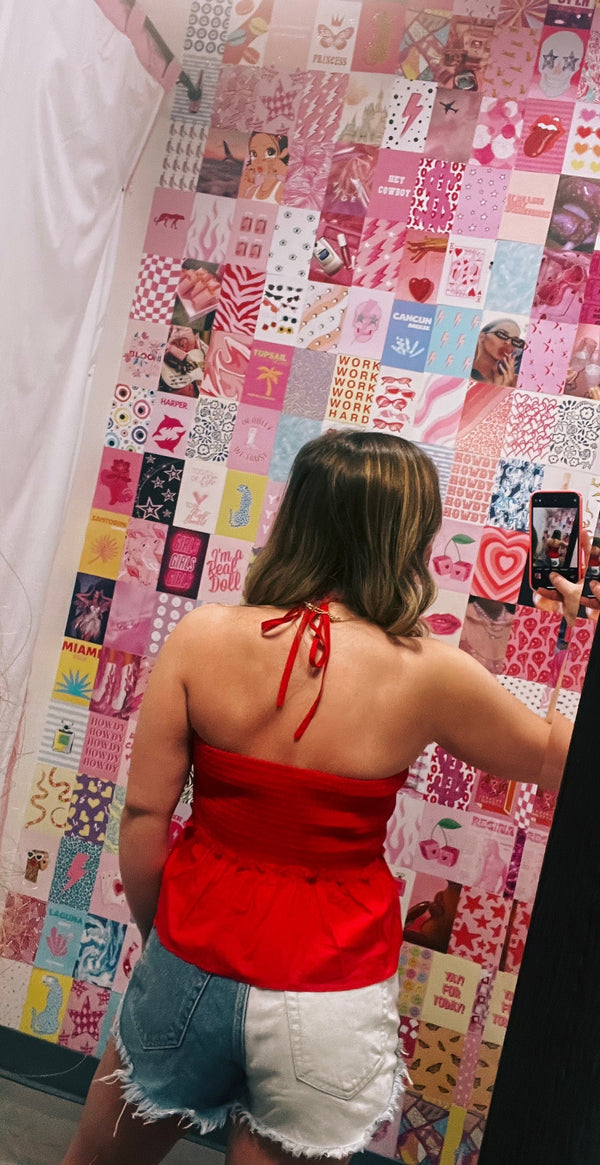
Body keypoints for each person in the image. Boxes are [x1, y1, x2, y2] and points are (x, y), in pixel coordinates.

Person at [62, 431, 591, 1165]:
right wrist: (583, 620)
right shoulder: (429, 674)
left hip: (191, 954)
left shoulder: (202, 637)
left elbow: (146, 818)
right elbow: (565, 759)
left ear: (297, 516)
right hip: (328, 991)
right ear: (408, 540)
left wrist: (169, 945)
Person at [470, 318, 525, 387]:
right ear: (482, 336)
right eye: (502, 335)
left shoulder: (516, 381)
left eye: (514, 341)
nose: (508, 342)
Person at [238, 132, 289, 204]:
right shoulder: (252, 191)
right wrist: (243, 185)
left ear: (281, 154)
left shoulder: (282, 190)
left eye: (269, 152)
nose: (259, 160)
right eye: (254, 154)